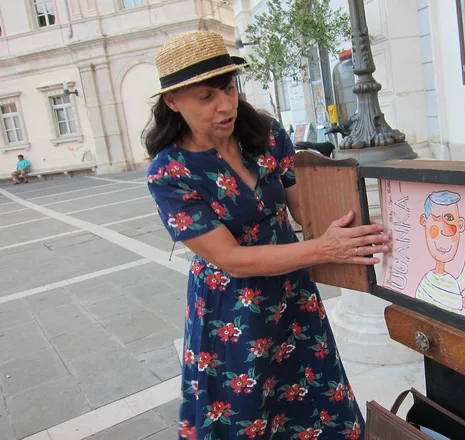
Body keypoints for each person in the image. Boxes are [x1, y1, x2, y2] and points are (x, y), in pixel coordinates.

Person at [144, 31, 388, 440]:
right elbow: (232, 259)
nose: (225, 106)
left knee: (317, 404)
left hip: (293, 297)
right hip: (233, 314)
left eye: (228, 88)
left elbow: (303, 209)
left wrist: (354, 220)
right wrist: (323, 247)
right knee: (246, 411)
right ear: (172, 101)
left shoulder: (266, 134)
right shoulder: (170, 172)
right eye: (206, 98)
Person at [415, 190, 465, 316]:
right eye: (436, 219)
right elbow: (432, 303)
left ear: (460, 225)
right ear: (424, 221)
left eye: (450, 219)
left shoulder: (449, 282)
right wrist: (462, 302)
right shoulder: (427, 282)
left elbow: (461, 282)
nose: (446, 230)